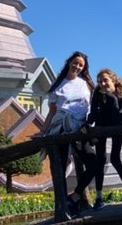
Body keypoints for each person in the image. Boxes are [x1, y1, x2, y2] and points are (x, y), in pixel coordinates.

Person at [41, 51, 96, 215]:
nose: (77, 66)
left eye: (81, 65)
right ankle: (63, 205)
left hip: (80, 128)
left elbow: (94, 105)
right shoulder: (58, 85)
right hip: (60, 127)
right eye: (76, 62)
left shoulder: (86, 84)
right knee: (60, 166)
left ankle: (76, 196)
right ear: (69, 62)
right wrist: (44, 131)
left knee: (93, 164)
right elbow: (51, 112)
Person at [85, 69, 122, 210]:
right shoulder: (98, 93)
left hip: (117, 128)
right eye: (100, 81)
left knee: (115, 159)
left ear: (113, 80)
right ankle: (99, 198)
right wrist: (87, 124)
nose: (102, 84)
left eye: (105, 80)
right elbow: (94, 113)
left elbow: (118, 117)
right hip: (102, 128)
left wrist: (111, 98)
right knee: (100, 161)